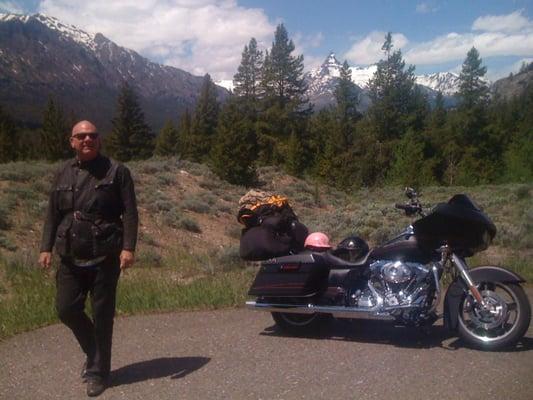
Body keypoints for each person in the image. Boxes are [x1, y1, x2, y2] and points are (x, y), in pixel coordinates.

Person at [38, 120, 138, 397]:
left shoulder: (117, 172)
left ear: (99, 140)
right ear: (72, 141)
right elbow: (52, 214)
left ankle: (98, 372)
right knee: (66, 308)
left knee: (103, 316)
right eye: (81, 136)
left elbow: (130, 213)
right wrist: (45, 247)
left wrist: (128, 248)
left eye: (92, 135)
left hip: (105, 254)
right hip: (70, 254)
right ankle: (95, 352)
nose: (87, 139)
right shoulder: (62, 173)